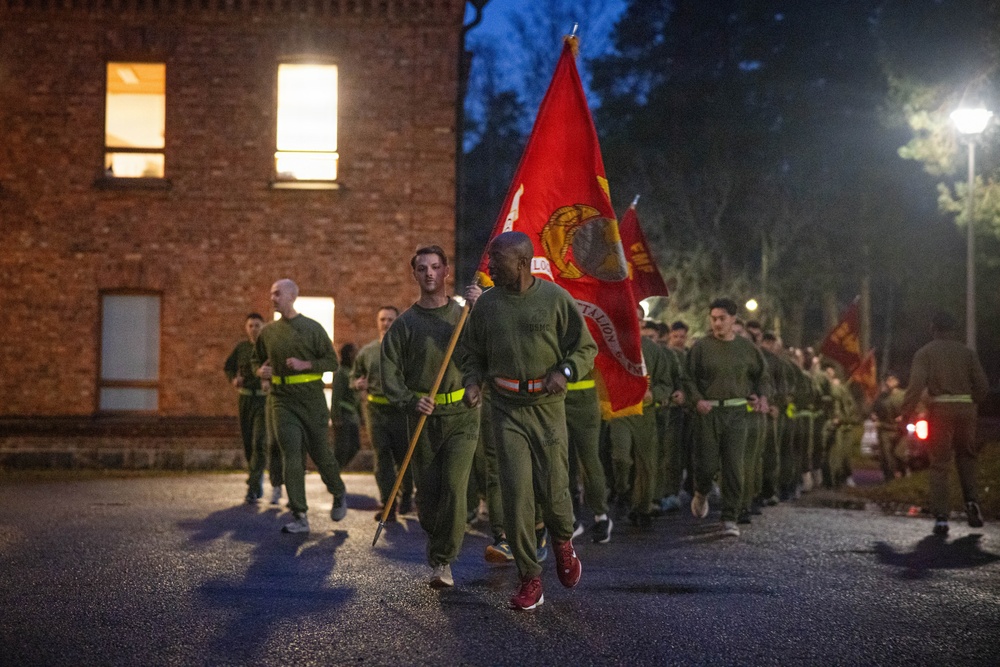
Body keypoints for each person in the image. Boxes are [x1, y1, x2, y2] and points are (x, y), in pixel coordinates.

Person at [460, 231, 597, 611]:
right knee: (516, 492)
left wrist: (566, 371)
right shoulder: (486, 306)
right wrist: (471, 382)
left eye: (496, 260)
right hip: (504, 408)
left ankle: (563, 544)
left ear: (521, 262)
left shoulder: (555, 299)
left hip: (546, 405)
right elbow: (470, 353)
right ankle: (529, 576)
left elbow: (585, 347)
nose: (488, 267)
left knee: (554, 489)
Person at [380, 245, 480, 589]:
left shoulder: (465, 315)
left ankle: (443, 561)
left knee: (454, 486)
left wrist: (473, 383)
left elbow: (482, 352)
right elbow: (389, 374)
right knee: (429, 494)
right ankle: (438, 540)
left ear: (446, 271)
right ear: (415, 274)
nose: (429, 274)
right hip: (423, 416)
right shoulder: (404, 325)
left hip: (463, 415)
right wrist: (409, 401)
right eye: (422, 269)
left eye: (436, 267)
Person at [253, 279, 347, 534]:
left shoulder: (312, 328)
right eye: (271, 293)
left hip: (312, 400)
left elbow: (332, 362)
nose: (272, 298)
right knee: (291, 454)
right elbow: (256, 361)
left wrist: (307, 365)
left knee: (320, 453)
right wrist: (260, 370)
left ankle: (338, 493)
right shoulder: (268, 332)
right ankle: (299, 514)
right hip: (281, 399)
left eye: (277, 293)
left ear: (292, 296)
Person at [686, 298, 770, 537]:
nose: (717, 323)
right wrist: (696, 399)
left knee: (734, 465)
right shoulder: (701, 347)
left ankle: (729, 517)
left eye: (722, 319)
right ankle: (701, 491)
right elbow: (688, 377)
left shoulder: (747, 348)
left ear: (733, 320)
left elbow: (761, 376)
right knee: (707, 464)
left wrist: (761, 397)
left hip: (737, 412)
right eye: (713, 319)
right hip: (709, 412)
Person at [900, 311, 989, 536]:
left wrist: (905, 414)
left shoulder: (925, 353)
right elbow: (983, 386)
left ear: (933, 328)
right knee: (967, 456)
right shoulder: (968, 353)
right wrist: (970, 403)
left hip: (940, 410)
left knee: (940, 462)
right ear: (954, 329)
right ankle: (972, 504)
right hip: (966, 409)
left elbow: (915, 387)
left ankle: (941, 517)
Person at [609, 314, 680, 529]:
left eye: (638, 318)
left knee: (647, 463)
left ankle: (642, 508)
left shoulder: (653, 349)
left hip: (645, 413)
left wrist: (654, 395)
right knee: (621, 457)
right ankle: (622, 489)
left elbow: (666, 383)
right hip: (620, 411)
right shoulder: (610, 344)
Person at [352, 305, 413, 520]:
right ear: (377, 322)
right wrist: (357, 383)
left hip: (401, 410)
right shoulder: (367, 352)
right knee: (382, 457)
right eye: (382, 319)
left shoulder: (406, 350)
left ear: (396, 322)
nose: (386, 323)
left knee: (404, 456)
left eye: (390, 319)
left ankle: (407, 495)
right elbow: (355, 376)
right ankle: (388, 506)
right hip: (375, 410)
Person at [224, 312, 284, 505]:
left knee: (260, 441)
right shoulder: (241, 348)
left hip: (263, 400)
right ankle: (255, 477)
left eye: (257, 325)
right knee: (249, 443)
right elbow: (228, 366)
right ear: (246, 328)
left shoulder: (269, 347)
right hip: (245, 400)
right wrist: (234, 379)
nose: (254, 329)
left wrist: (269, 379)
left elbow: (279, 368)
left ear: (263, 326)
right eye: (250, 325)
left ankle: (253, 487)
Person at [871, 372, 907, 481]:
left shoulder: (904, 395)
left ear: (897, 381)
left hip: (900, 430)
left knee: (899, 454)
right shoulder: (881, 397)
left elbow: (914, 408)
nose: (889, 382)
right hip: (885, 429)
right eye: (888, 380)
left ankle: (903, 472)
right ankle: (890, 478)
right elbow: (873, 410)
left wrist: (904, 416)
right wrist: (873, 416)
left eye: (892, 380)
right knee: (886, 456)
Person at [331, 343, 362, 470]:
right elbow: (336, 395)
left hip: (353, 416)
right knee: (341, 449)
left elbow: (357, 396)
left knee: (355, 446)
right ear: (349, 354)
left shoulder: (353, 372)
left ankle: (337, 471)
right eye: (355, 351)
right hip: (343, 416)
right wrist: (335, 416)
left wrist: (361, 415)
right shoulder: (341, 373)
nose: (358, 354)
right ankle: (334, 476)